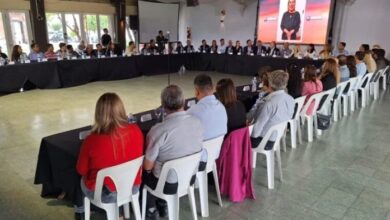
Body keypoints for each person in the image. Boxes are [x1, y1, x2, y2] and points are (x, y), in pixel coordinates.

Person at [76, 93, 144, 220]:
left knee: (79, 179)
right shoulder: (136, 130)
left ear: (98, 114)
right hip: (133, 186)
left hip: (107, 194)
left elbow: (81, 170)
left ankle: (80, 210)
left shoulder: (91, 140)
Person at [143, 85, 203, 218]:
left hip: (166, 184)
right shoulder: (197, 123)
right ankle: (162, 203)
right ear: (184, 101)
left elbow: (148, 166)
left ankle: (151, 208)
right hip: (189, 178)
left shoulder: (158, 130)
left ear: (163, 105)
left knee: (144, 172)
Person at [248, 70, 294, 150]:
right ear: (285, 84)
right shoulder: (290, 99)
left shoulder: (269, 103)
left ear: (270, 83)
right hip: (277, 136)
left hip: (264, 141)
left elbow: (257, 128)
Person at [187, 74, 228, 142]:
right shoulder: (222, 107)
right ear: (212, 88)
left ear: (196, 91)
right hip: (218, 150)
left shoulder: (192, 112)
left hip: (200, 151)